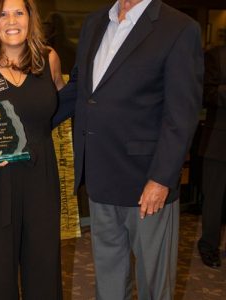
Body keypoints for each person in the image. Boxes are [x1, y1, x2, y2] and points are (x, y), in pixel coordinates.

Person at [54, 0, 203, 299]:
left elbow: (181, 115)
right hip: (99, 174)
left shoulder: (180, 28)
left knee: (153, 284)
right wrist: (31, 116)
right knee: (108, 279)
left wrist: (161, 178)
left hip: (146, 183)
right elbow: (83, 90)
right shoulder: (95, 22)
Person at [0, 0, 64, 298]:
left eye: (19, 12)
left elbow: (59, 101)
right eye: (2, 14)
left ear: (31, 18)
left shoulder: (49, 59)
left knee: (43, 260)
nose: (11, 20)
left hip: (41, 174)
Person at [197, 44, 226, 268]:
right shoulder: (215, 56)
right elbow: (205, 93)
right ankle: (208, 246)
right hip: (219, 141)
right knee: (214, 200)